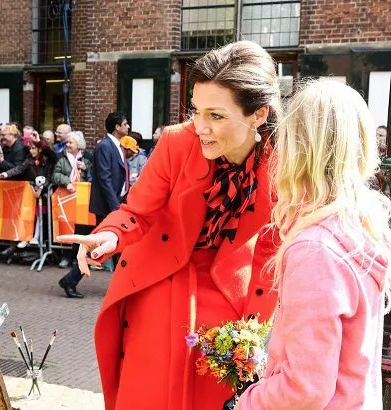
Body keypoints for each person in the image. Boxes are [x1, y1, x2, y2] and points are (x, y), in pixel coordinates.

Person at [57, 40, 282, 409]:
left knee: (217, 393)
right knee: (148, 385)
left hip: (228, 291)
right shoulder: (178, 142)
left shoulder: (280, 163)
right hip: (161, 274)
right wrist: (110, 235)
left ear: (258, 114)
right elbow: (138, 210)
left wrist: (253, 329)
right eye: (196, 111)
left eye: (217, 115)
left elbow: (271, 252)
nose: (201, 127)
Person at [237, 80, 391, 408]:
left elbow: (306, 387)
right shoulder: (356, 228)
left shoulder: (315, 249)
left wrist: (247, 402)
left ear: (297, 148)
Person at [53, 131, 94, 291]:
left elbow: (93, 173)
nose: (68, 145)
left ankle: (79, 261)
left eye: (70, 142)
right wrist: (65, 182)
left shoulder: (87, 157)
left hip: (84, 200)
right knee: (68, 228)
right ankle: (67, 257)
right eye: (67, 142)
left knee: (82, 231)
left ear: (79, 144)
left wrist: (86, 167)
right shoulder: (62, 158)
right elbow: (55, 174)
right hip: (67, 200)